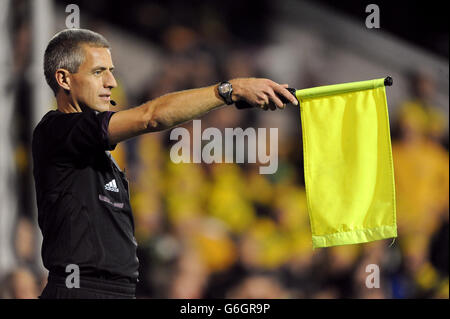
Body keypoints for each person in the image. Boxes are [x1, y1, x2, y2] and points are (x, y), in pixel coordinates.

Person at [32, 28, 298, 299]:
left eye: (111, 71)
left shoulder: (99, 155)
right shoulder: (60, 129)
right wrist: (231, 90)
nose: (111, 81)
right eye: (99, 72)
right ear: (64, 79)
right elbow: (152, 117)